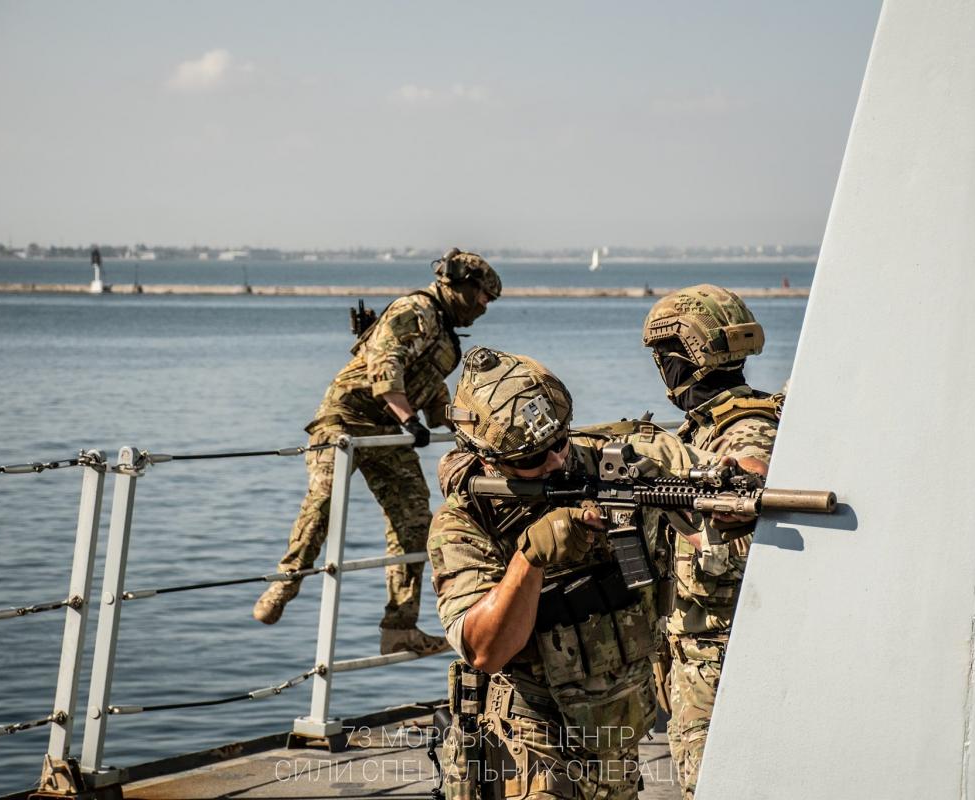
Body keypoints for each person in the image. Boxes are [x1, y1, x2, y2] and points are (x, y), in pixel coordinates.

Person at [429, 347, 733, 799]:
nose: (555, 462)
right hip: (532, 740)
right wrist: (530, 558)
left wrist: (732, 485)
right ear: (488, 459)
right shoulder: (465, 521)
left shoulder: (610, 460)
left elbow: (709, 472)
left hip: (616, 732)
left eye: (560, 442)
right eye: (531, 459)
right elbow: (485, 650)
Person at [253, 248, 502, 659]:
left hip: (387, 430)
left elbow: (435, 400)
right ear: (461, 286)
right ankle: (286, 582)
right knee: (324, 501)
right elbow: (386, 366)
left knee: (415, 521)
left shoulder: (444, 333)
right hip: (344, 419)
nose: (484, 307)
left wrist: (477, 430)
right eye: (482, 297)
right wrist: (409, 420)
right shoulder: (415, 311)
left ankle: (399, 628)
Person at [641, 284, 781, 799]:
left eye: (665, 355)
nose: (663, 367)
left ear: (687, 356)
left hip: (720, 655)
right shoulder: (702, 427)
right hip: (696, 647)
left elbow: (751, 472)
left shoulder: (745, 426)